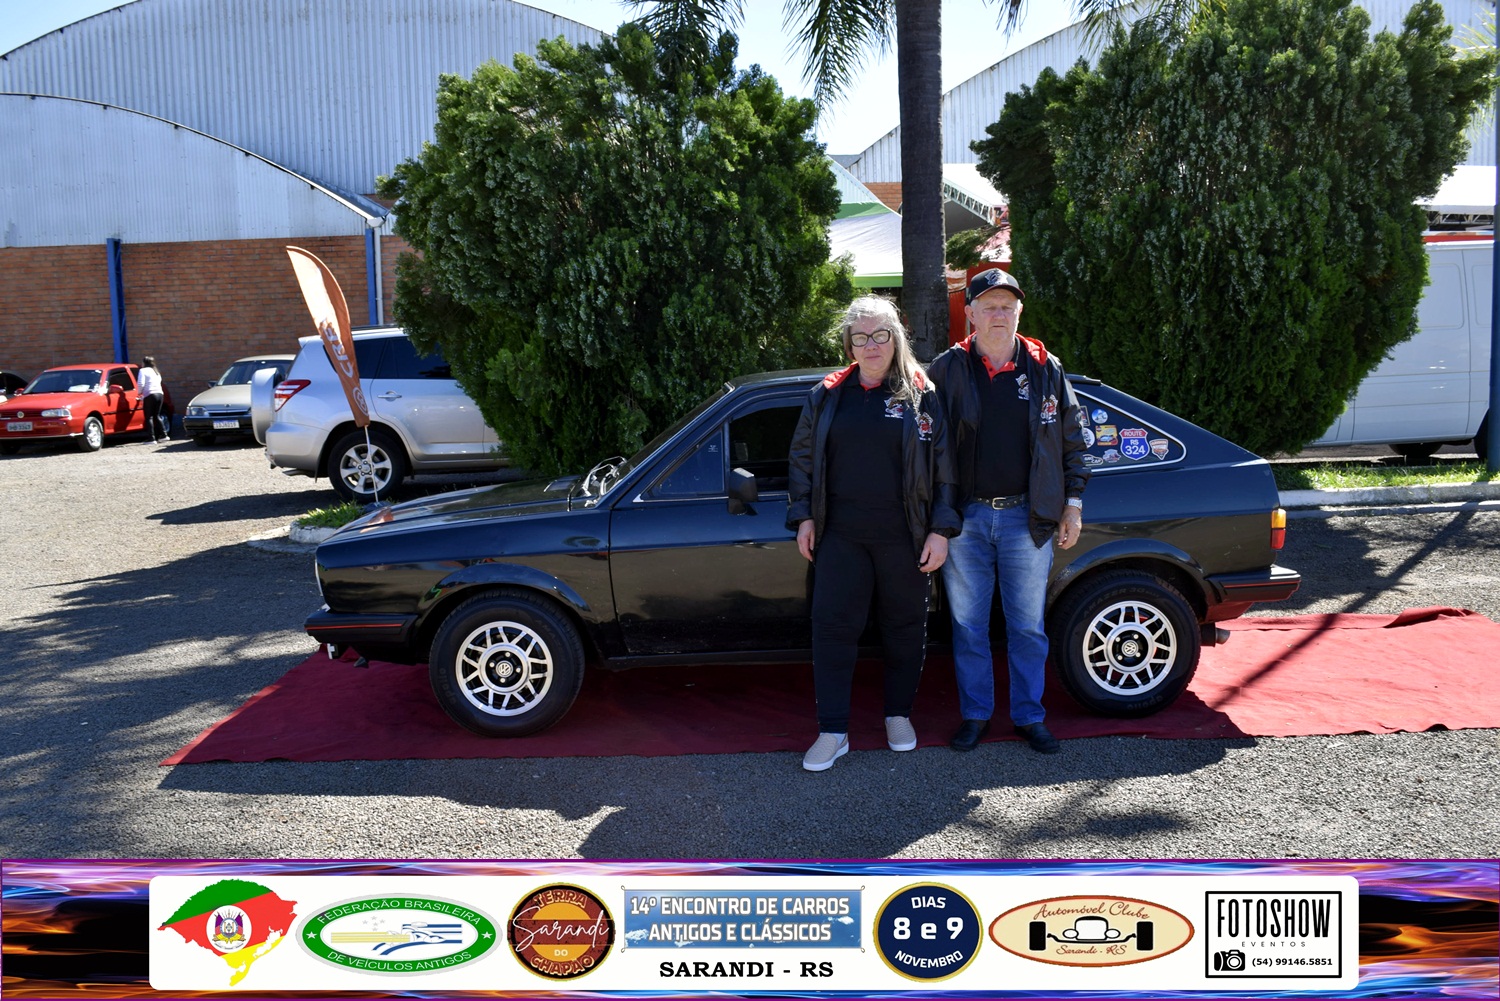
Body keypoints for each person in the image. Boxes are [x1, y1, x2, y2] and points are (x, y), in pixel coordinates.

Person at [787, 296, 961, 772]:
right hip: (840, 535)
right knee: (832, 629)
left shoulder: (921, 395)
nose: (871, 345)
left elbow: (945, 469)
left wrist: (941, 530)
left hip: (904, 535)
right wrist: (804, 517)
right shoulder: (827, 395)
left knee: (904, 628)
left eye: (880, 335)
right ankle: (833, 731)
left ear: (895, 338)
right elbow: (802, 460)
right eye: (860, 337)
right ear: (849, 344)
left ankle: (898, 716)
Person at [927, 269, 1090, 755]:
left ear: (1019, 312)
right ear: (970, 314)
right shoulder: (946, 370)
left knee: (1027, 627)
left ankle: (1029, 717)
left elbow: (1073, 441)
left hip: (1027, 519)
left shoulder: (1045, 368)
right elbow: (927, 445)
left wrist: (1073, 504)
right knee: (968, 627)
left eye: (1007, 306)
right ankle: (976, 714)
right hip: (966, 520)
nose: (999, 314)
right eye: (989, 306)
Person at [138, 356, 169, 443]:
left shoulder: (143, 370)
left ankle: (151, 438)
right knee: (157, 415)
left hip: (150, 394)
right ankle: (164, 435)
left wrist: (139, 392)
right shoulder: (156, 371)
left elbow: (140, 383)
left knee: (149, 417)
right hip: (160, 394)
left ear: (144, 363)